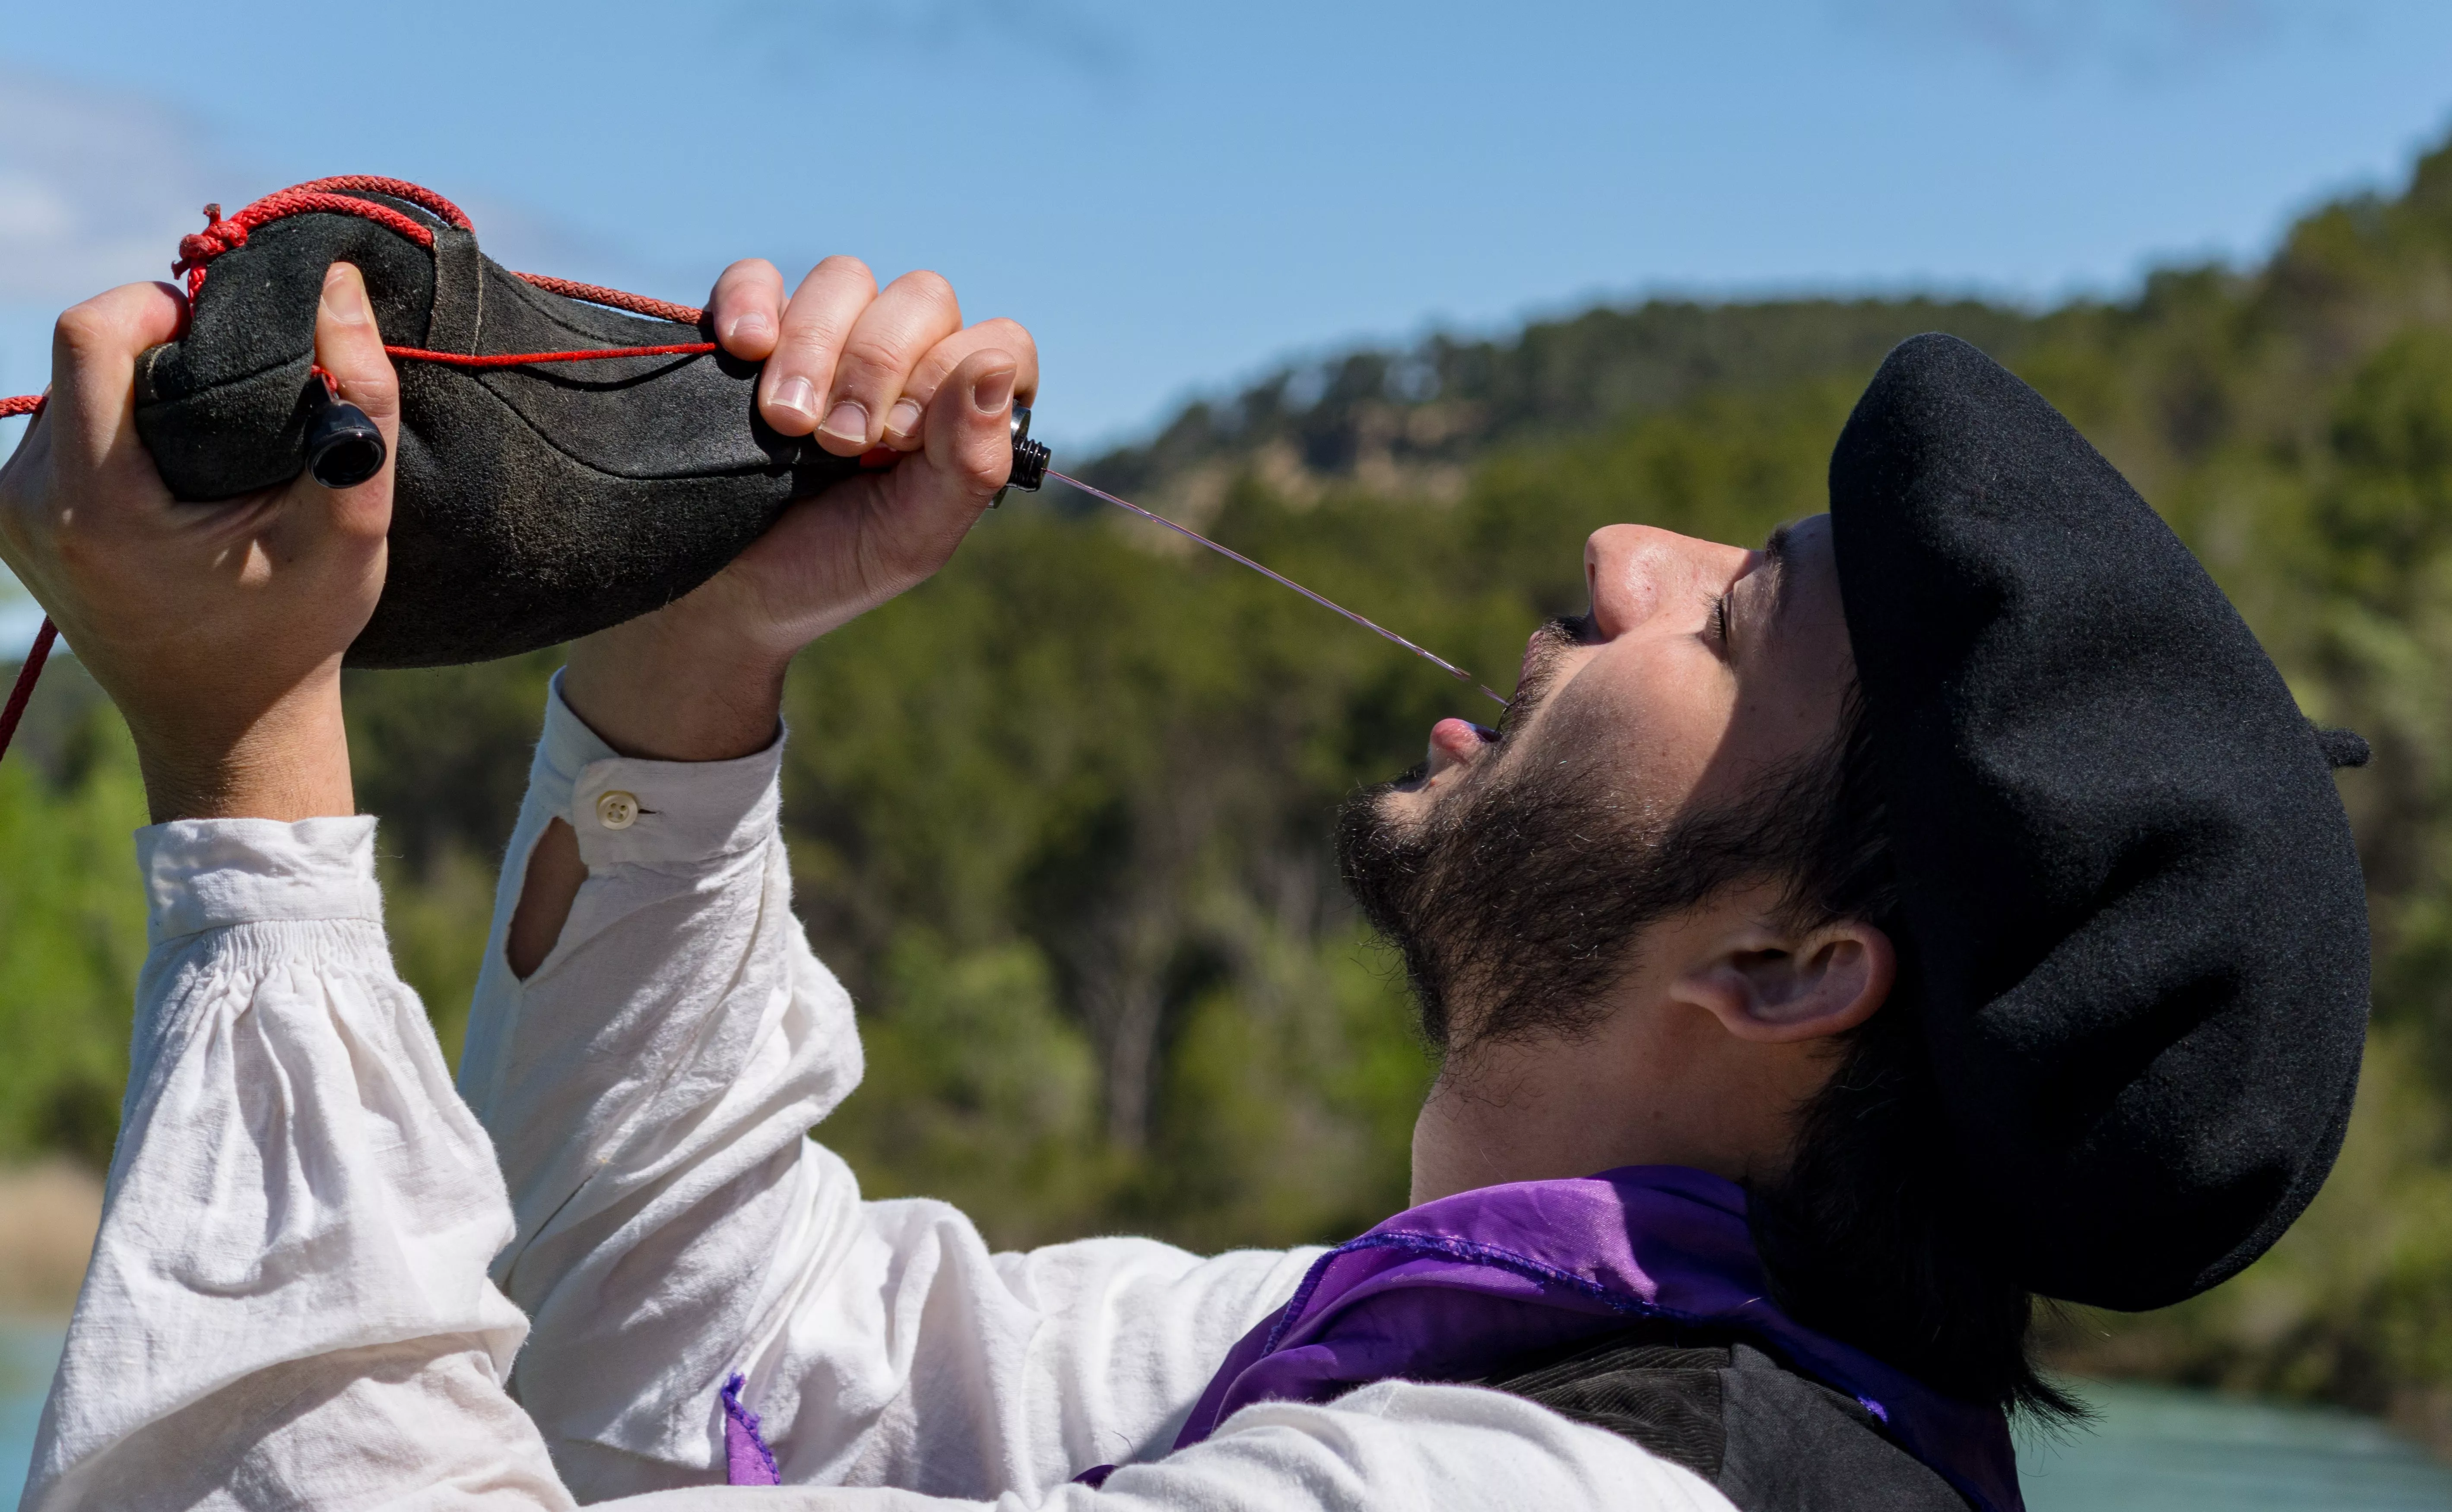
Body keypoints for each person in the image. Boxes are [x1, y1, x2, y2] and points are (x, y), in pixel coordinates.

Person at [0, 251, 2370, 1512]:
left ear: (1784, 962)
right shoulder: (1481, 1363)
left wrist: (250, 786)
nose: (1615, 552)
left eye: (1730, 615)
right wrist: (700, 651)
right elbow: (703, 1361)